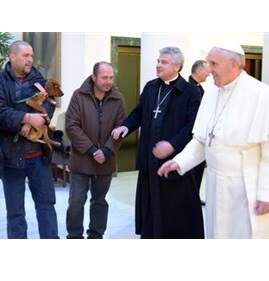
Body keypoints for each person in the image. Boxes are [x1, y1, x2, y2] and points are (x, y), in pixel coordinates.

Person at [158, 43, 269, 239]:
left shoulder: (261, 94)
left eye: (214, 63)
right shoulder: (211, 93)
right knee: (217, 233)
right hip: (215, 183)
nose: (209, 69)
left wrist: (265, 194)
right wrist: (179, 161)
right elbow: (201, 140)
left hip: (245, 187)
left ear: (234, 65)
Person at [112, 47, 204, 239]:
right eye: (158, 61)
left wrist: (173, 144)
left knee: (172, 208)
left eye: (164, 62)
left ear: (177, 66)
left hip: (176, 162)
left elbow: (193, 127)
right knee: (150, 203)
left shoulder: (190, 92)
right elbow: (138, 112)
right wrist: (126, 127)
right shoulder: (151, 87)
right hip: (149, 159)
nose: (158, 65)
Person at [0, 40, 58, 239]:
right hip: (10, 158)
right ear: (12, 56)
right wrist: (26, 118)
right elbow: (1, 112)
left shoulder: (37, 77)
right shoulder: (1, 81)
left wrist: (35, 121)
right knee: (15, 213)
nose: (30, 60)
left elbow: (50, 103)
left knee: (47, 206)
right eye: (25, 56)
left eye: (32, 56)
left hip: (38, 158)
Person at [65, 62, 126, 239]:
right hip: (82, 159)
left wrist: (106, 151)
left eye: (111, 77)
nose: (108, 81)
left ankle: (96, 235)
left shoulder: (118, 99)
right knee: (76, 201)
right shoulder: (79, 95)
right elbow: (72, 126)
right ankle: (74, 236)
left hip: (106, 160)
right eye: (104, 77)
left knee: (99, 201)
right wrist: (92, 150)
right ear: (94, 77)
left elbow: (121, 128)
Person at [189, 60, 210, 206]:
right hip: (193, 136)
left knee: (199, 169)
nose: (209, 73)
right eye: (207, 70)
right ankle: (190, 197)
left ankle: (194, 195)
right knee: (193, 170)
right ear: (198, 70)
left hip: (201, 135)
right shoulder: (190, 88)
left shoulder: (199, 88)